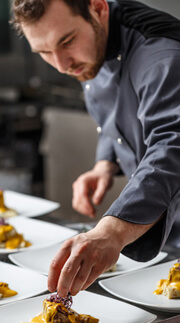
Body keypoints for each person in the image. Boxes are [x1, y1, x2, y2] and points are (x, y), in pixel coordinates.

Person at [11, 0, 180, 297]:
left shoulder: (160, 55)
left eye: (66, 41)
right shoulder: (91, 46)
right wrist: (105, 163)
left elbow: (172, 140)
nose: (62, 64)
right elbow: (118, 106)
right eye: (44, 52)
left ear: (98, 8)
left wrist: (111, 232)